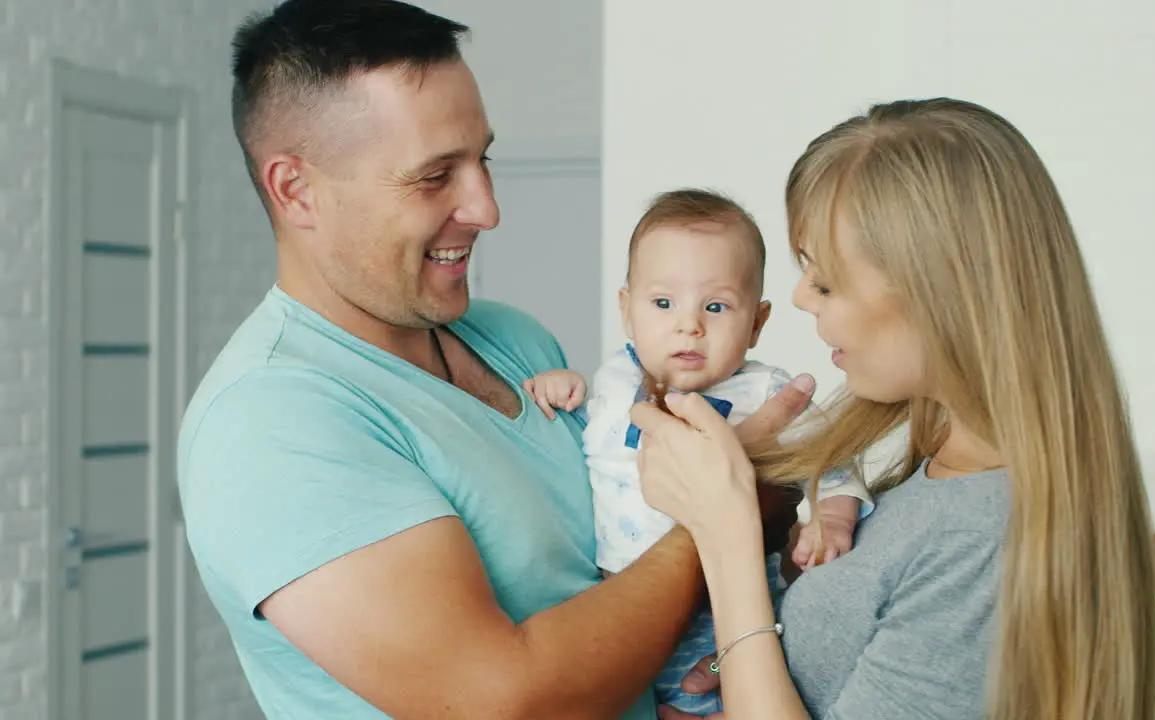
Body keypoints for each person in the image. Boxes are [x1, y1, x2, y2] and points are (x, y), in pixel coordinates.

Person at [176, 1, 806, 718]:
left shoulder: (514, 340)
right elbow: (504, 701)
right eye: (434, 175)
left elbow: (620, 573)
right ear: (297, 190)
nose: (486, 207)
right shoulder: (269, 423)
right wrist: (729, 508)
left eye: (483, 159)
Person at [632, 98, 1155, 720]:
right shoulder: (944, 469)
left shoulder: (984, 536)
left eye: (826, 280)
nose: (802, 297)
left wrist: (727, 537)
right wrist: (754, 658)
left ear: (942, 293)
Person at [523, 188, 873, 714]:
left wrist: (832, 517)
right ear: (626, 310)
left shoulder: (766, 393)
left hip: (726, 607)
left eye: (716, 306)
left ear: (756, 323)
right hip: (619, 597)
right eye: (663, 303)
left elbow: (831, 462)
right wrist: (557, 386)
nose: (689, 325)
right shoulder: (614, 379)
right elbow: (585, 441)